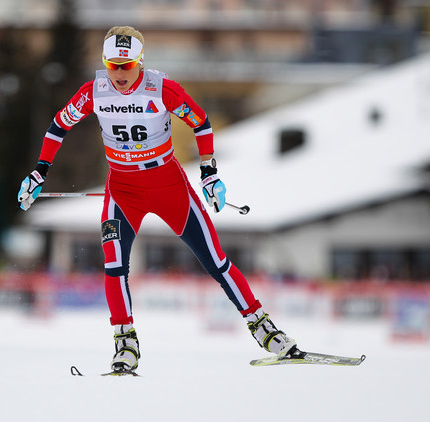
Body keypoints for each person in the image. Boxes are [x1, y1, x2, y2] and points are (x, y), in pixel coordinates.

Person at [18, 26, 299, 373]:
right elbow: (57, 127)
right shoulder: (94, 92)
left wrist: (209, 173)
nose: (120, 74)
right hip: (123, 189)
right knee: (114, 264)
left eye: (127, 65)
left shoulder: (162, 89)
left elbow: (202, 124)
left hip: (168, 185)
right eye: (113, 65)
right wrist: (38, 173)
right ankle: (125, 343)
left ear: (140, 62)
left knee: (215, 260)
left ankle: (264, 328)